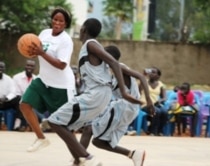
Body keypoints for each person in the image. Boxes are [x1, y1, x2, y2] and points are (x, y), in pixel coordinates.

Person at [47, 18, 143, 166]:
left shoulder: (90, 44)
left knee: (54, 121)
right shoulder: (90, 47)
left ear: (83, 29)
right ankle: (80, 161)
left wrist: (123, 91)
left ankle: (87, 158)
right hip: (100, 96)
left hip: (97, 94)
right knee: (70, 127)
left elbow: (114, 63)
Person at [76, 45, 155, 166]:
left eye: (102, 54)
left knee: (89, 129)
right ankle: (133, 154)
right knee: (98, 141)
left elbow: (141, 77)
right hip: (124, 109)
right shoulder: (110, 72)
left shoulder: (120, 66)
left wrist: (149, 100)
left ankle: (78, 161)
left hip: (125, 107)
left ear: (109, 57)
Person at [19, 7, 75, 152]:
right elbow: (35, 51)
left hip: (61, 86)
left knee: (63, 126)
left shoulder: (66, 41)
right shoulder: (44, 33)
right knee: (24, 104)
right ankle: (41, 138)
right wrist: (29, 50)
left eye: (61, 21)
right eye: (55, 19)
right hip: (43, 80)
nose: (57, 23)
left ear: (66, 24)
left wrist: (42, 53)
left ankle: (81, 155)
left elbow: (62, 65)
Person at [140, 67, 168, 136]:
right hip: (145, 104)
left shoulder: (162, 85)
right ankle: (153, 131)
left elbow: (164, 97)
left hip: (155, 104)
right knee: (157, 111)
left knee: (164, 112)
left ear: (158, 76)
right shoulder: (144, 81)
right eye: (150, 72)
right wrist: (143, 75)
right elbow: (138, 90)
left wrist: (160, 100)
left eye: (153, 72)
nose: (151, 74)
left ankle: (160, 131)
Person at [12, 60, 37, 131]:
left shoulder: (36, 79)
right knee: (21, 101)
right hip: (17, 100)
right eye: (28, 65)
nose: (29, 67)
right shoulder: (16, 77)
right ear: (25, 66)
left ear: (34, 68)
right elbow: (15, 92)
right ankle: (22, 124)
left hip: (31, 101)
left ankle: (19, 124)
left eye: (32, 66)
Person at [0, 61, 20, 130]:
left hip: (5, 102)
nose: (0, 69)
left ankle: (17, 123)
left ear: (4, 69)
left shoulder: (8, 79)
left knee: (19, 99)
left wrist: (6, 98)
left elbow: (13, 92)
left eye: (2, 67)